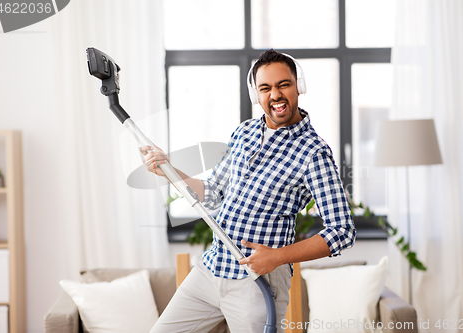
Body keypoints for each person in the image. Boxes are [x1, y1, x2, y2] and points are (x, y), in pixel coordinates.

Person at [144, 49, 356, 333]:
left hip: (256, 283)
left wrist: (277, 257)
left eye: (284, 84)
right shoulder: (243, 133)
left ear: (298, 87)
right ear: (256, 94)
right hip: (212, 268)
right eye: (265, 88)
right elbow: (214, 192)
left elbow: (342, 230)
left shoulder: (313, 153)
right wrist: (169, 171)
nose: (276, 95)